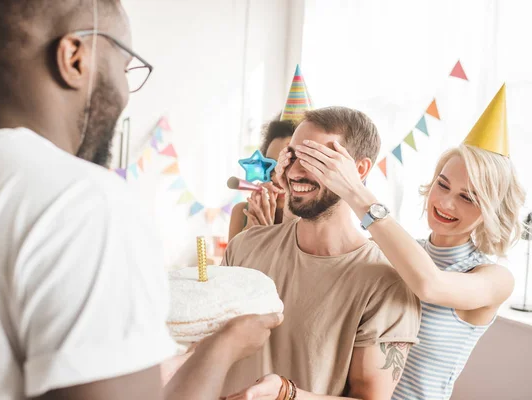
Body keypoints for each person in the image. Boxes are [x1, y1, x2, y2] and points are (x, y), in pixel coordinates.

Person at [0, 1, 282, 399]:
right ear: (75, 58)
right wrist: (224, 348)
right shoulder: (83, 202)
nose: (125, 92)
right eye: (124, 64)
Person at [273, 85, 525, 400]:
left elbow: (429, 285)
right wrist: (295, 188)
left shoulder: (495, 278)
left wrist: (354, 190)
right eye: (442, 184)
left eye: (467, 197)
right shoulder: (396, 250)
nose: (446, 204)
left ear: (490, 207)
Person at [222, 107, 422, 399]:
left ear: (360, 170)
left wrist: (285, 394)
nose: (296, 171)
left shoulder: (387, 283)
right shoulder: (245, 246)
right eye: (292, 156)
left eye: (317, 158)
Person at [228, 115, 295, 241]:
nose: (275, 178)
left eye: (287, 165)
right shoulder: (242, 213)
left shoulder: (318, 222)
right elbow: (230, 261)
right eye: (270, 165)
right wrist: (248, 234)